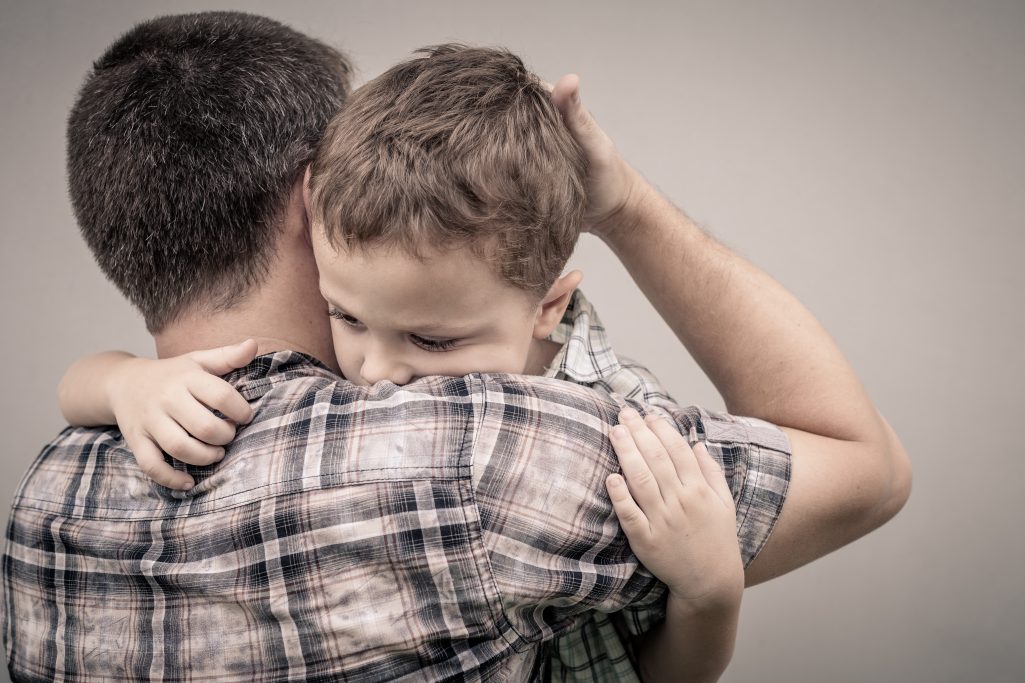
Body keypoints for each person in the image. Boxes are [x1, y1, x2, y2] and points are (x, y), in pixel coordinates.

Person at [2, 10, 911, 683]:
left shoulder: (41, 505)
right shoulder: (485, 451)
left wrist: (117, 379)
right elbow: (865, 468)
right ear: (314, 200)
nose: (385, 369)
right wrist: (625, 204)